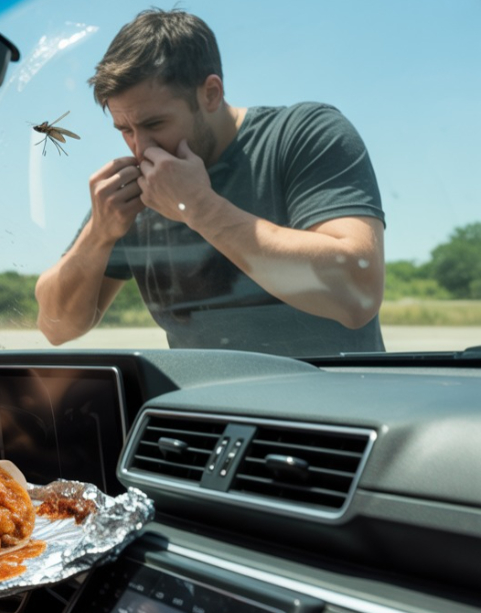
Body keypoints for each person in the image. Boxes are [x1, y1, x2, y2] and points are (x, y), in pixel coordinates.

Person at [35, 9, 386, 357]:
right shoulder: (141, 187)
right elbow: (56, 328)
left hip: (335, 406)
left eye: (155, 124)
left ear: (212, 93)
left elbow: (358, 294)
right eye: (125, 130)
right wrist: (99, 233)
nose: (141, 148)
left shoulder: (305, 134)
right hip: (207, 410)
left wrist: (200, 208)